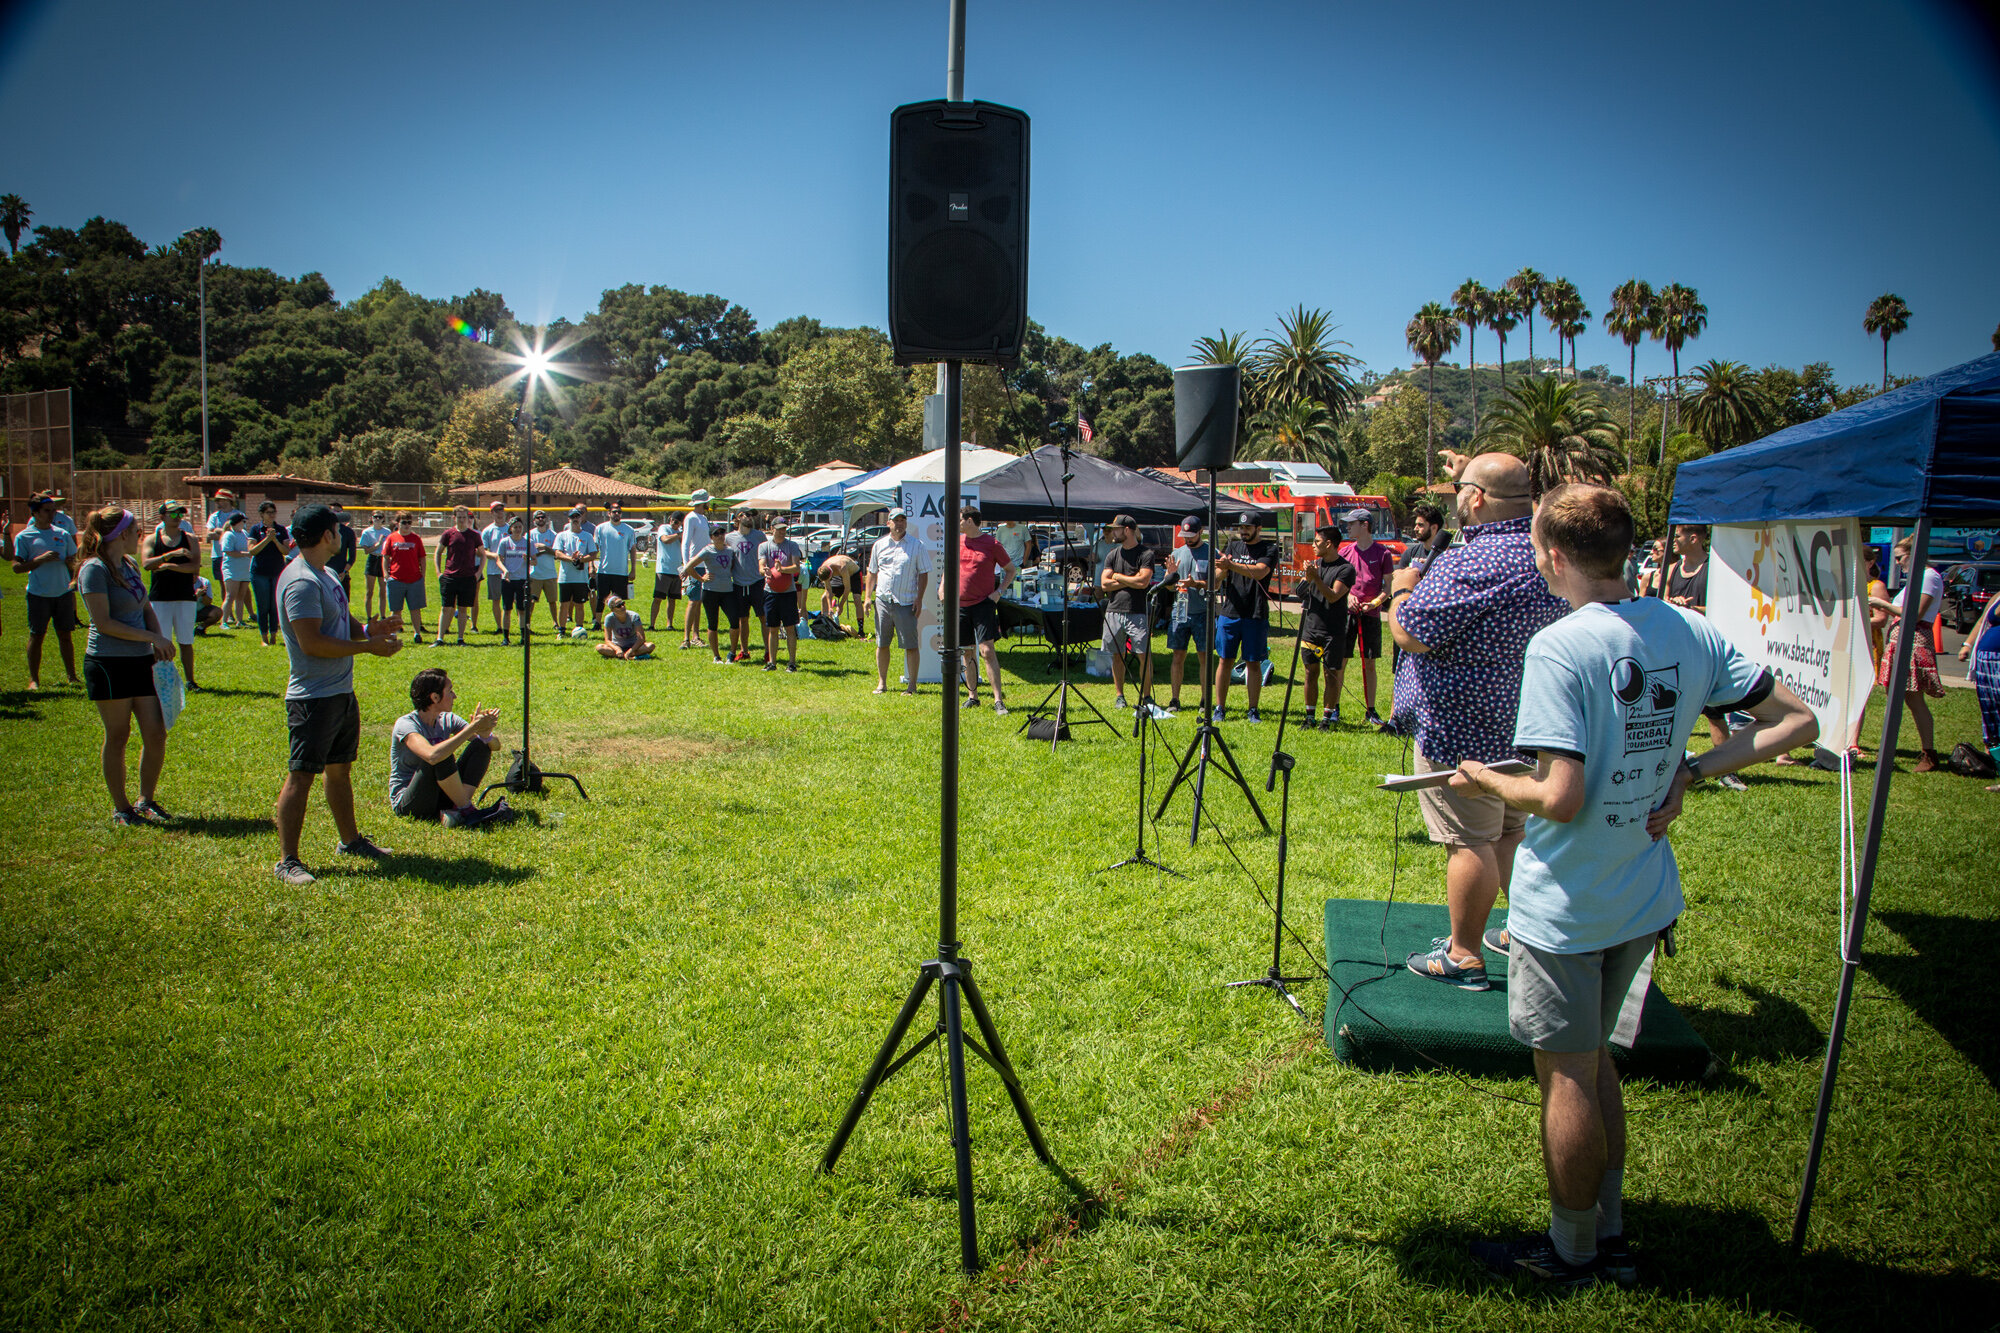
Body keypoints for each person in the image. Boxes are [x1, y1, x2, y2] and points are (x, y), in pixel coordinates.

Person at [1450, 482, 1816, 1288]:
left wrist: (1485, 779)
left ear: (1551, 553)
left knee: (1569, 1073)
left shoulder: (1559, 645)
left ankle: (1571, 1251)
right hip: (1642, 894)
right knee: (1598, 1061)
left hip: (1568, 902)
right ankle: (1607, 1229)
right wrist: (1693, 765)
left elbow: (1558, 795)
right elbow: (1797, 722)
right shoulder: (1686, 626)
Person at [1388, 451, 1569, 990]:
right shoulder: (1548, 553)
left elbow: (1411, 632)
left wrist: (1402, 586)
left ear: (1475, 498)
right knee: (1512, 830)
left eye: (1460, 489)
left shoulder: (1476, 558)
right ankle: (1522, 930)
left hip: (1461, 729)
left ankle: (1464, 954)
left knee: (1468, 840)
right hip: (1527, 723)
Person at [272, 503, 405, 885]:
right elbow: (312, 642)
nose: (342, 535)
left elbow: (343, 625)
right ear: (326, 535)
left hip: (339, 692)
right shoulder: (300, 581)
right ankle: (287, 861)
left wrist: (370, 629)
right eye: (337, 529)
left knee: (339, 770)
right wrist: (368, 648)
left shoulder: (326, 573)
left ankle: (350, 841)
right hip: (312, 697)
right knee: (301, 776)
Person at [76, 506, 176, 826]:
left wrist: (158, 640)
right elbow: (103, 623)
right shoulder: (94, 569)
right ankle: (122, 808)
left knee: (156, 732)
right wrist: (150, 637)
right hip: (108, 663)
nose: (140, 536)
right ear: (120, 535)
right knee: (118, 735)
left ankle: (145, 800)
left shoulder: (129, 564)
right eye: (135, 531)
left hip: (141, 661)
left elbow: (145, 606)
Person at [1662, 524, 1751, 791]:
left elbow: (1725, 608)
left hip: (1704, 647)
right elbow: (1662, 600)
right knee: (1669, 712)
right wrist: (1671, 602)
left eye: (1677, 536)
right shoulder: (1672, 569)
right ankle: (1671, 770)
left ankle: (1726, 771)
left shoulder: (1713, 569)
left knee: (1715, 713)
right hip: (1674, 647)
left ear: (1694, 537)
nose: (1673, 541)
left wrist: (1692, 607)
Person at [1866, 535, 1947, 773]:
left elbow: (1915, 614)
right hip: (1900, 640)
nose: (1898, 562)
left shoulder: (1929, 577)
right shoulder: (1917, 578)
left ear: (1914, 554)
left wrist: (1880, 604)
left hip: (1913, 640)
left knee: (1913, 698)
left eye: (1900, 557)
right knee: (1896, 699)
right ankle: (1889, 749)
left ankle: (1928, 752)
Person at [389, 668, 509, 825]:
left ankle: (456, 808)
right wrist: (473, 728)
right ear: (435, 697)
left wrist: (485, 734)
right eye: (450, 691)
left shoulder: (447, 719)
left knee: (480, 745)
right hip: (410, 803)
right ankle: (466, 810)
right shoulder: (406, 724)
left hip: (441, 795)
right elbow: (432, 756)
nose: (455, 696)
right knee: (440, 755)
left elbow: (495, 746)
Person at [1211, 515, 1277, 723]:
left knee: (1253, 663)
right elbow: (1218, 577)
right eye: (1241, 527)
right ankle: (1219, 708)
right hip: (1230, 613)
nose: (1244, 531)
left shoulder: (1269, 549)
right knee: (1224, 661)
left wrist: (1231, 566)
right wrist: (1220, 571)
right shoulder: (1233, 546)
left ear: (1259, 528)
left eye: (1248, 527)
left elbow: (1259, 572)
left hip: (1255, 613)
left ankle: (1253, 709)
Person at [12, 492, 81, 690]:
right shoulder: (25, 536)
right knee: (37, 635)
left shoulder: (62, 533)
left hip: (63, 592)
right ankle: (34, 679)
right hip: (38, 594)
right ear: (34, 513)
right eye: (47, 511)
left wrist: (71, 564)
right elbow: (17, 567)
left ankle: (72, 676)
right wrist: (40, 560)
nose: (52, 514)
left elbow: (74, 561)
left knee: (66, 635)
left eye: (53, 510)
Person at [1339, 507, 1397, 729]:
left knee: (1369, 664)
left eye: (1352, 523)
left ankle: (1371, 710)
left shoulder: (1383, 554)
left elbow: (1388, 587)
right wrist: (1349, 596)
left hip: (1371, 616)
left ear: (1365, 525)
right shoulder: (1345, 552)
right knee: (1340, 661)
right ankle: (1334, 708)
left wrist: (1375, 602)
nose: (1348, 527)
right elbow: (1338, 583)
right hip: (1348, 614)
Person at [954, 503, 1014, 714]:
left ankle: (998, 700)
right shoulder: (957, 541)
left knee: (987, 651)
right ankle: (973, 696)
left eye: (960, 519)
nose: (958, 523)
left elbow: (1010, 570)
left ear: (969, 521)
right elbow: (949, 570)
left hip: (982, 604)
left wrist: (998, 592)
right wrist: (943, 587)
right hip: (960, 605)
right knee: (967, 650)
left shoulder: (992, 544)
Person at [1095, 513, 1157, 710]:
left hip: (1137, 611)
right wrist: (1130, 579)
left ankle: (1147, 697)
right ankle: (1120, 696)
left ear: (1127, 530)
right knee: (1117, 655)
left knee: (1143, 655)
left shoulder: (1146, 554)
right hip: (1113, 611)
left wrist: (1119, 577)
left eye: (1116, 528)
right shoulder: (1113, 554)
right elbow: (1104, 584)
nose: (1113, 532)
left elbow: (1142, 582)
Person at [142, 500, 204, 691]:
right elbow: (146, 564)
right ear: (162, 516)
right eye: (173, 514)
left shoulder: (190, 538)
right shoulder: (152, 539)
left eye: (180, 514)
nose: (178, 518)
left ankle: (190, 681)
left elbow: (195, 567)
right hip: (160, 597)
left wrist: (170, 567)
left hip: (185, 596)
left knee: (186, 641)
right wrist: (169, 555)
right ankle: (162, 680)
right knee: (161, 641)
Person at [1296, 525, 1354, 729]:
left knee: (1331, 674)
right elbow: (1300, 592)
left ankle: (1326, 719)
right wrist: (1307, 578)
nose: (1313, 546)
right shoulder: (1314, 566)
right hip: (1311, 628)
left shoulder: (1345, 569)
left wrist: (1316, 578)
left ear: (1328, 544)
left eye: (1317, 542)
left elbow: (1333, 596)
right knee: (1310, 672)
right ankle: (1309, 717)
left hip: (1333, 631)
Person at [869, 507, 931, 695]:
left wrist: (919, 599)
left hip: (906, 602)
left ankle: (912, 685)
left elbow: (923, 574)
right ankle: (882, 683)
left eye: (903, 520)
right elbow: (872, 572)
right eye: (896, 520)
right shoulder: (879, 545)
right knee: (882, 643)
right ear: (888, 523)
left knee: (910, 645)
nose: (899, 523)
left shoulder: (917, 545)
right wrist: (866, 598)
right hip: (882, 600)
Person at [1163, 516, 1211, 715]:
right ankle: (1175, 699)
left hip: (1202, 612)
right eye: (1185, 536)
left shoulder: (1211, 552)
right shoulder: (1177, 553)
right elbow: (1167, 586)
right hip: (1180, 611)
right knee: (1177, 655)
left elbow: (1215, 585)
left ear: (1201, 532)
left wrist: (1196, 584)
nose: (1188, 539)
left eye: (1191, 536)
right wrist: (1170, 576)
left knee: (1204, 657)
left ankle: (1204, 700)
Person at [1958, 586, 2000, 792]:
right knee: (1991, 717)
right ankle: (1994, 767)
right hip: (1987, 663)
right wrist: (1967, 644)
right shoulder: (1998, 596)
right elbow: (1984, 619)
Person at [682, 526, 739, 663]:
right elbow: (689, 567)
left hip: (728, 591)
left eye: (722, 533)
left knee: (735, 622)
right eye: (716, 534)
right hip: (710, 591)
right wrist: (701, 579)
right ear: (711, 537)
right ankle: (716, 656)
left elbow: (732, 567)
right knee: (713, 624)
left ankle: (732, 653)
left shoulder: (730, 551)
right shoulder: (707, 550)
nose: (720, 536)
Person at [759, 520, 805, 672]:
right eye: (779, 529)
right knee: (773, 629)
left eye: (784, 529)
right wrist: (765, 570)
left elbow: (796, 567)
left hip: (788, 593)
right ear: (772, 529)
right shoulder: (764, 546)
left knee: (790, 628)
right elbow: (761, 565)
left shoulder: (791, 546)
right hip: (770, 592)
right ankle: (772, 662)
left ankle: (792, 663)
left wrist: (782, 569)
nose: (782, 532)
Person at [247, 501, 295, 646]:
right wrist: (267, 539)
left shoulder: (281, 529)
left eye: (273, 512)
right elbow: (252, 551)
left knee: (274, 606)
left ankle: (274, 635)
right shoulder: (255, 529)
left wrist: (274, 539)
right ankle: (264, 638)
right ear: (262, 514)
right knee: (263, 606)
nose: (272, 515)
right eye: (269, 512)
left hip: (276, 572)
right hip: (259, 572)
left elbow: (286, 551)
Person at [726, 510, 767, 662]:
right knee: (743, 619)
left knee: (764, 618)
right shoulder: (729, 538)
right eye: (745, 515)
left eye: (751, 515)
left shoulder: (759, 536)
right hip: (738, 584)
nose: (749, 517)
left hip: (757, 582)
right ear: (737, 518)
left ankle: (768, 651)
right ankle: (744, 651)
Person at [381, 512, 428, 639]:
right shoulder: (391, 538)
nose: (407, 525)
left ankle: (417, 633)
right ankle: (393, 634)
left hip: (414, 580)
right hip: (396, 579)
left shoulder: (416, 538)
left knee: (415, 608)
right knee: (396, 610)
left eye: (409, 522)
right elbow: (385, 557)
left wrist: (422, 575)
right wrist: (386, 574)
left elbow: (422, 558)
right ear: (397, 523)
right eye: (404, 522)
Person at [552, 510, 595, 634]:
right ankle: (562, 630)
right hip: (565, 577)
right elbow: (557, 553)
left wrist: (581, 559)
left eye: (577, 516)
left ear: (581, 518)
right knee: (563, 604)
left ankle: (579, 629)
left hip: (581, 577)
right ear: (568, 519)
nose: (575, 519)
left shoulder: (587, 536)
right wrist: (571, 559)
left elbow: (592, 554)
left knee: (579, 604)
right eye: (572, 517)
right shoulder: (562, 535)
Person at [594, 501, 637, 627]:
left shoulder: (628, 530)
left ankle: (620, 622)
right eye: (614, 512)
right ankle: (597, 622)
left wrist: (633, 569)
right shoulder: (601, 528)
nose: (616, 514)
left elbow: (632, 550)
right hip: (604, 570)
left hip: (621, 571)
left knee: (619, 600)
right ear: (609, 513)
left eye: (619, 512)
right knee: (601, 598)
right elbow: (594, 549)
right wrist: (592, 565)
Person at [495, 516, 532, 643]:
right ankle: (506, 637)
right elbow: (499, 559)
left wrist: (529, 560)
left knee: (521, 609)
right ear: (510, 528)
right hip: (508, 580)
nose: (517, 529)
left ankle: (523, 636)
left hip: (522, 579)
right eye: (515, 527)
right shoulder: (505, 542)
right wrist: (504, 570)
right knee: (507, 609)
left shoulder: (528, 542)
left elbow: (535, 561)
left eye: (520, 527)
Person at [479, 500, 511, 635]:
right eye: (496, 510)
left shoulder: (511, 528)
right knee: (496, 599)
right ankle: (500, 627)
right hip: (494, 571)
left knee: (512, 599)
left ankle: (511, 624)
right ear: (492, 513)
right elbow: (482, 551)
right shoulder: (487, 531)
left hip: (511, 570)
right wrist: (496, 556)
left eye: (501, 510)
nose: (500, 513)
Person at [526, 511, 560, 632]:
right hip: (534, 574)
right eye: (538, 517)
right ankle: (527, 624)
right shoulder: (529, 535)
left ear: (547, 519)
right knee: (531, 601)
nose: (540, 519)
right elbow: (529, 552)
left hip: (550, 573)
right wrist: (540, 551)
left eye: (543, 517)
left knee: (552, 601)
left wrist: (545, 548)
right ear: (534, 520)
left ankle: (556, 623)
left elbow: (556, 553)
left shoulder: (553, 534)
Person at [219, 512, 254, 629]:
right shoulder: (229, 535)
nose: (244, 524)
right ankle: (223, 621)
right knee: (230, 595)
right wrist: (245, 554)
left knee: (241, 595)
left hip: (244, 569)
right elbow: (228, 551)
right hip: (232, 569)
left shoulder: (244, 533)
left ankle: (240, 621)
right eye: (243, 522)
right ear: (236, 523)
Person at [1398, 503, 1452, 577]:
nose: (1415, 529)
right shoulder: (1410, 554)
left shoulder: (1448, 556)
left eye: (1420, 525)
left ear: (1434, 528)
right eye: (1416, 525)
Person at [204, 488, 243, 590]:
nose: (218, 503)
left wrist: (218, 531)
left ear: (228, 500)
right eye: (217, 500)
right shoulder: (214, 516)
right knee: (223, 586)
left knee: (240, 585)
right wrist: (228, 534)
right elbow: (209, 535)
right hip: (218, 555)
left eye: (220, 500)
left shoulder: (239, 515)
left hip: (235, 554)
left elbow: (240, 534)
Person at [649, 516, 683, 632]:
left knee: (672, 599)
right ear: (670, 519)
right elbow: (665, 539)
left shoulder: (681, 531)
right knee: (658, 598)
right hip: (663, 569)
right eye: (674, 519)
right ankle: (652, 625)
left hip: (677, 569)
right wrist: (679, 535)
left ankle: (669, 624)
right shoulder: (664, 528)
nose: (675, 522)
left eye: (678, 521)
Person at [596, 594, 655, 660]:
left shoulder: (634, 616)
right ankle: (632, 656)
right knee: (600, 647)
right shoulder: (609, 618)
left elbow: (641, 638)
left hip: (634, 646)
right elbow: (607, 640)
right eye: (619, 606)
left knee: (650, 646)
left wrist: (630, 651)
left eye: (623, 603)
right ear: (613, 610)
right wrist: (617, 649)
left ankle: (624, 656)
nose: (622, 607)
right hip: (617, 645)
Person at [816, 548, 863, 630]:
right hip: (839, 575)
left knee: (857, 598)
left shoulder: (842, 567)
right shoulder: (823, 568)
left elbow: (847, 589)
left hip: (854, 573)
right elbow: (828, 590)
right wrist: (830, 607)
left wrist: (841, 605)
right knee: (824, 598)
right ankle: (826, 626)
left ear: (831, 574)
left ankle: (861, 629)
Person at [357, 510, 392, 620]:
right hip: (372, 559)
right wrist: (378, 544)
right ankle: (369, 617)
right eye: (375, 517)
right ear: (371, 518)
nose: (377, 519)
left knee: (383, 590)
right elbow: (366, 551)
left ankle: (382, 616)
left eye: (380, 517)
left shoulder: (387, 532)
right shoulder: (367, 532)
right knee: (369, 591)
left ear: (383, 519)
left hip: (383, 560)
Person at [327, 502, 358, 600]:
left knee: (343, 603)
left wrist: (344, 572)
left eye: (339, 511)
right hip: (325, 572)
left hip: (341, 572)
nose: (336, 513)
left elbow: (352, 556)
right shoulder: (323, 530)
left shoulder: (348, 532)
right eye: (334, 511)